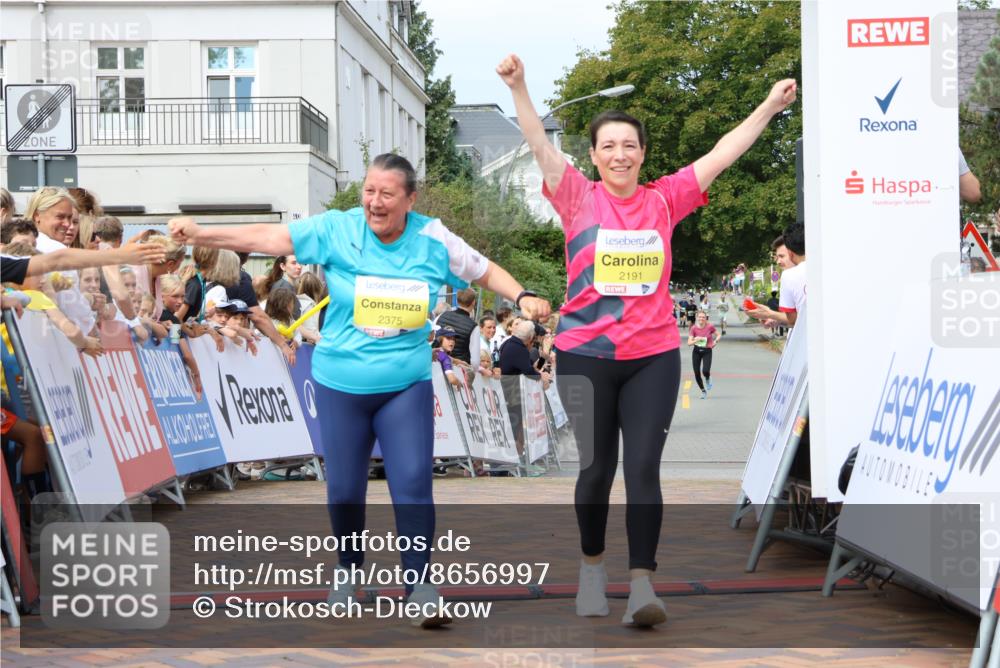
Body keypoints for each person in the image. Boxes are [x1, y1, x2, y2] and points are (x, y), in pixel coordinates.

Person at [169, 152, 550, 628]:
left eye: (387, 194)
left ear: (409, 200)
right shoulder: (337, 229)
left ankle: (421, 586)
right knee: (346, 490)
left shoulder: (433, 238)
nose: (375, 201)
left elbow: (484, 270)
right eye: (369, 190)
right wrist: (201, 233)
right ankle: (348, 574)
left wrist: (522, 295)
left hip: (404, 385)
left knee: (412, 482)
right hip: (339, 383)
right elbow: (270, 237)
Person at [499, 52, 795, 627]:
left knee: (642, 471)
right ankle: (590, 570)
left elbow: (723, 153)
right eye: (608, 146)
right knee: (594, 468)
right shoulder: (576, 197)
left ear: (642, 154)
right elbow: (537, 142)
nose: (619, 154)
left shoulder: (664, 199)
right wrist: (519, 86)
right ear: (593, 155)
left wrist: (768, 106)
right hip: (584, 355)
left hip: (653, 357)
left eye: (628, 145)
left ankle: (640, 586)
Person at [747, 223, 806, 328]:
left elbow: (794, 320)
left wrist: (769, 313)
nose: (778, 262)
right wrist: (777, 319)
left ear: (791, 252)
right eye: (777, 257)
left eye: (782, 256)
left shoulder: (789, 276)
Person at [435, 287, 478, 365]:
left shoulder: (442, 316)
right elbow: (475, 362)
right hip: (460, 369)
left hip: (438, 365)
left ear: (457, 300)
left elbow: (432, 340)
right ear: (473, 302)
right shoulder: (474, 327)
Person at [687, 310, 719, 399]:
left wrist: (715, 341)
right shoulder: (693, 328)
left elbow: (718, 334)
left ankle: (708, 378)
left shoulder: (710, 327)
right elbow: (689, 343)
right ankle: (703, 391)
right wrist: (696, 340)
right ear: (697, 318)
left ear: (706, 318)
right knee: (697, 373)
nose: (701, 319)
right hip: (696, 351)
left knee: (705, 371)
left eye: (703, 317)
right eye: (700, 317)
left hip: (707, 350)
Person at [263, 255, 303, 320]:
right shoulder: (282, 287)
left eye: (300, 263)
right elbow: (284, 319)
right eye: (294, 263)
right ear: (283, 266)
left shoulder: (286, 285)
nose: (299, 267)